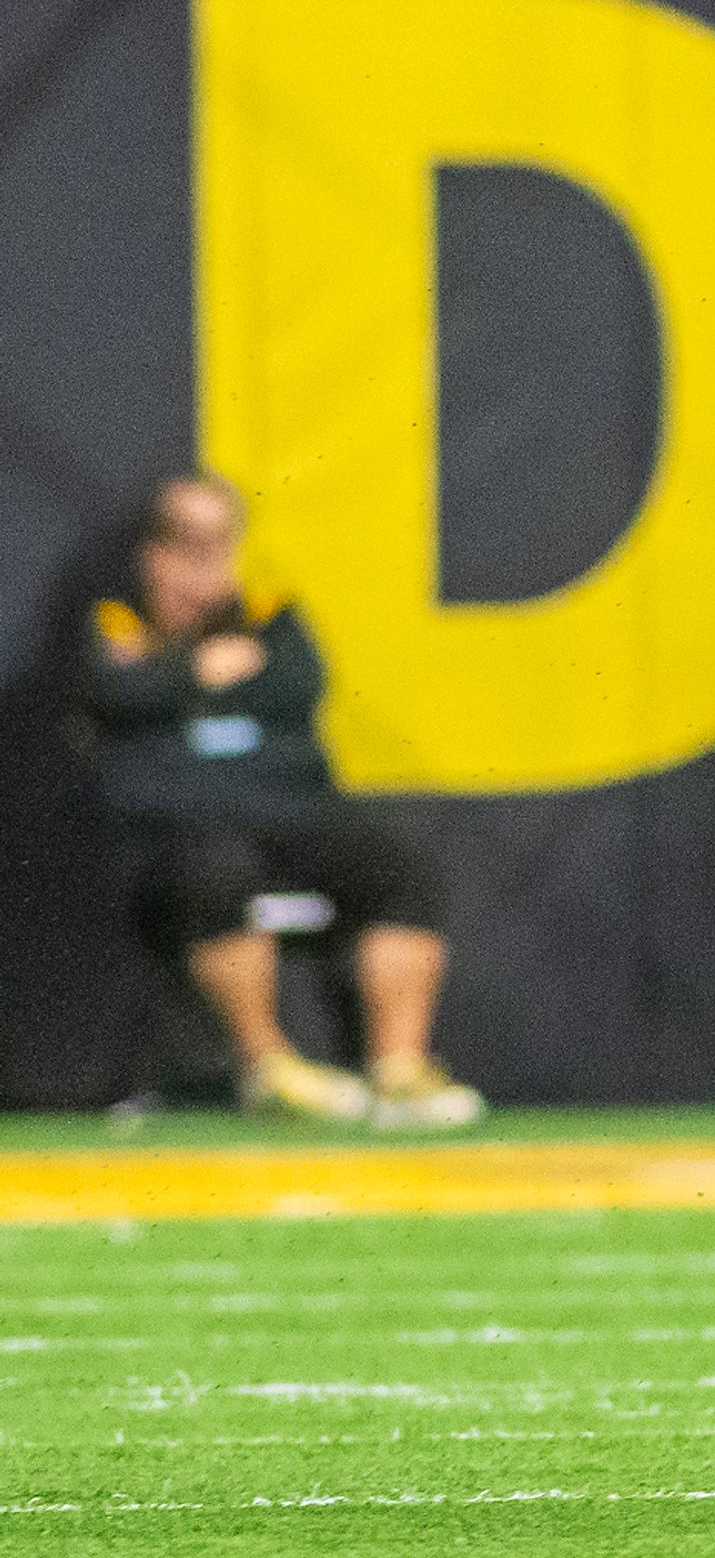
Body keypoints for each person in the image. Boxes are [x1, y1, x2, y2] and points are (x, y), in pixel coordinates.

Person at [67, 473, 483, 1130]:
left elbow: (293, 690)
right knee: (211, 865)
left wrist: (170, 689)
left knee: (395, 856)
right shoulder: (110, 621)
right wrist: (194, 672)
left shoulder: (271, 615)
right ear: (151, 553)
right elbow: (118, 700)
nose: (199, 566)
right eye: (184, 545)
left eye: (216, 545)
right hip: (184, 840)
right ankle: (269, 1065)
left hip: (289, 822)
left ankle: (399, 1068)